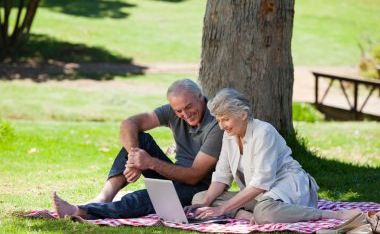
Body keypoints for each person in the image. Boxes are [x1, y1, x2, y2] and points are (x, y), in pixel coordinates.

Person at [52, 79, 223, 220]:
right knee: (140, 139)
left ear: (200, 96)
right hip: (177, 177)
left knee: (147, 197)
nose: (185, 115)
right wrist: (134, 159)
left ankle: (83, 212)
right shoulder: (173, 111)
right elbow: (129, 123)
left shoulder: (215, 124)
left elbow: (194, 176)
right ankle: (105, 196)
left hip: (200, 187)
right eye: (178, 110)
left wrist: (151, 163)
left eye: (188, 107)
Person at [188, 88, 361, 224]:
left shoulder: (264, 131)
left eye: (225, 119)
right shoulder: (229, 136)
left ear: (243, 114)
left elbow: (261, 184)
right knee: (200, 198)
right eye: (218, 120)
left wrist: (220, 209)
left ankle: (333, 215)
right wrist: (206, 204)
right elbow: (221, 176)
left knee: (264, 213)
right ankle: (243, 214)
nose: (221, 126)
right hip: (259, 197)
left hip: (287, 188)